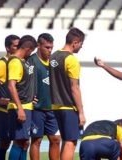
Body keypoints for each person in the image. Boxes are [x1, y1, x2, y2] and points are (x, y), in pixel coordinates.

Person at [49, 27, 86, 160]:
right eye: (81, 44)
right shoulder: (71, 60)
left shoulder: (53, 56)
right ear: (75, 42)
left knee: (65, 140)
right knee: (71, 142)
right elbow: (74, 87)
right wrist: (81, 112)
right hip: (69, 107)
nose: (81, 47)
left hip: (55, 106)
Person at [28, 33, 61, 160]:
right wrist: (28, 96)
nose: (50, 50)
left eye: (51, 47)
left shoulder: (54, 62)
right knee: (37, 141)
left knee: (56, 139)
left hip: (52, 108)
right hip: (37, 109)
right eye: (47, 47)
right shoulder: (31, 61)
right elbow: (23, 80)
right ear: (38, 46)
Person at [0, 34, 19, 160]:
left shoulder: (19, 62)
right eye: (15, 46)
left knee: (21, 142)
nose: (18, 48)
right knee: (5, 143)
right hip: (4, 111)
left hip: (17, 110)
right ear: (8, 48)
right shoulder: (2, 64)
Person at [7, 35, 37, 160]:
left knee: (25, 143)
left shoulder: (22, 61)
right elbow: (11, 86)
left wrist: (32, 97)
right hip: (19, 108)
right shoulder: (15, 62)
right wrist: (20, 108)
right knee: (19, 142)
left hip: (26, 106)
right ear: (29, 49)